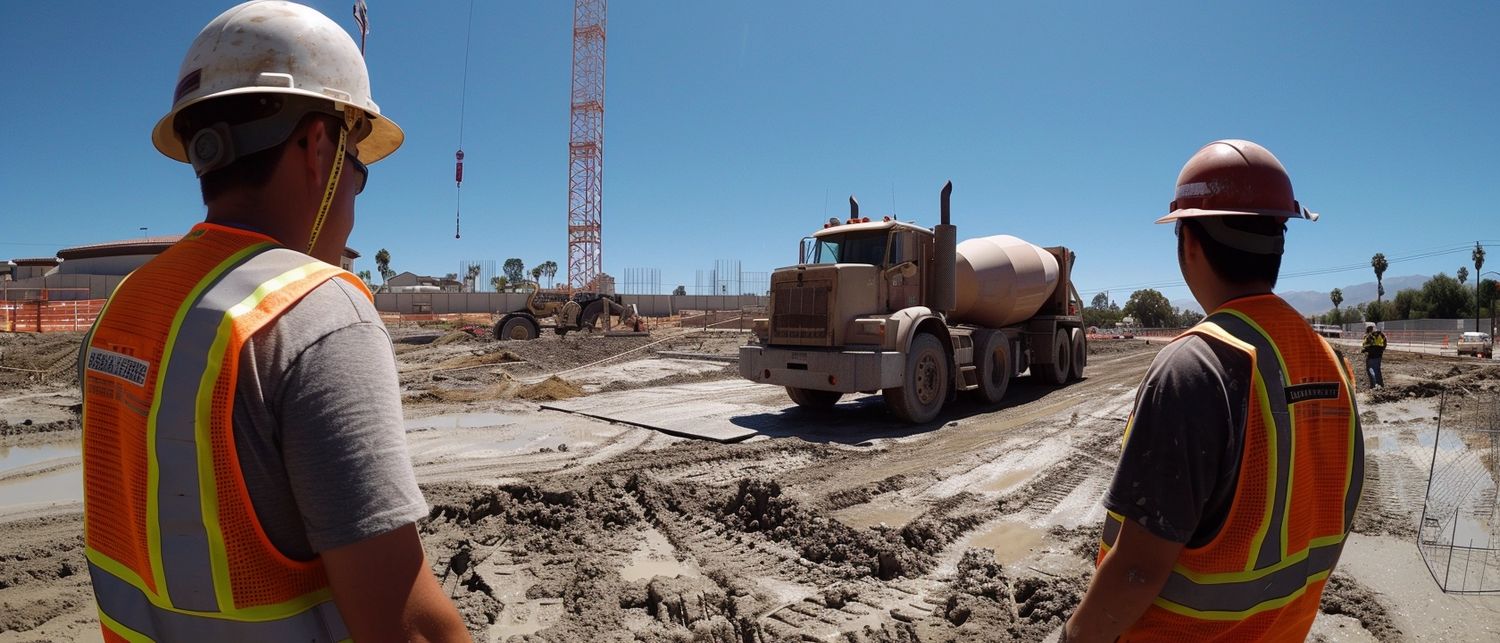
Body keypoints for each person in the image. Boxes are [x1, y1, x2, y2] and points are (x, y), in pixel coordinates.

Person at [78, 2, 468, 641]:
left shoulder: (126, 304)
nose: (354, 200)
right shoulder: (318, 312)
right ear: (318, 146)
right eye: (359, 171)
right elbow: (406, 629)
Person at [1062, 140, 1365, 641]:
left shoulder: (1196, 368)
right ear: (1279, 243)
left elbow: (1137, 569)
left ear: (1190, 243)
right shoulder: (1332, 364)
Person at [1362, 322, 1387, 388]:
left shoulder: (1369, 335)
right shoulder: (1380, 334)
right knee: (1377, 369)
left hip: (1371, 355)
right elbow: (1385, 341)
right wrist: (1382, 349)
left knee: (1370, 369)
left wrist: (1364, 350)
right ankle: (1380, 384)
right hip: (1379, 354)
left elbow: (1366, 345)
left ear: (1367, 329)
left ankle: (1374, 385)